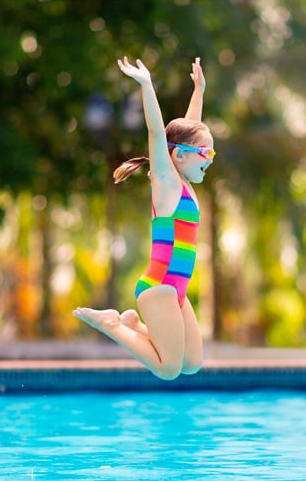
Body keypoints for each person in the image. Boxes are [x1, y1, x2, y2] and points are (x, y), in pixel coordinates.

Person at [73, 56, 215, 380]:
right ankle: (112, 324)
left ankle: (135, 326)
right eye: (206, 154)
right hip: (160, 285)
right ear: (178, 156)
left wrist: (199, 92)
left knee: (191, 363)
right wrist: (147, 85)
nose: (210, 159)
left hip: (176, 289)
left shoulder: (185, 180)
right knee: (168, 369)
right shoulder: (166, 184)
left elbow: (188, 131)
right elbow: (157, 131)